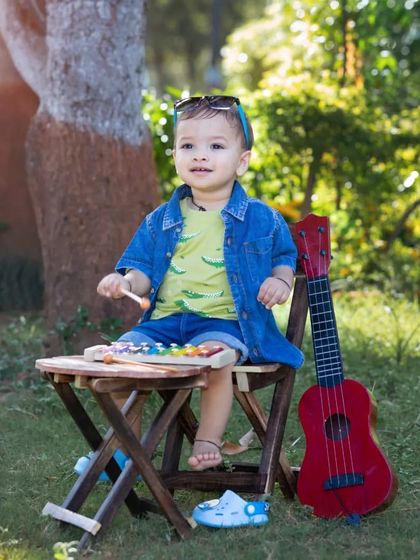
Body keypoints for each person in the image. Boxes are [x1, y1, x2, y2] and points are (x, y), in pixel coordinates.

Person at [90, 95, 303, 472]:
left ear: (242, 161)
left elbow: (284, 259)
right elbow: (141, 276)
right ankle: (127, 448)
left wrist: (280, 282)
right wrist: (123, 281)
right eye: (189, 146)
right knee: (116, 358)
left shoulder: (261, 219)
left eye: (215, 146)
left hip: (225, 325)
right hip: (165, 325)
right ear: (174, 155)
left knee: (214, 358)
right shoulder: (160, 220)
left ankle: (208, 439)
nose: (200, 155)